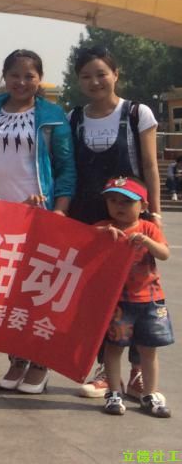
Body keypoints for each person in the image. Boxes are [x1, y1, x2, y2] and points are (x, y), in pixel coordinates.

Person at [0, 49, 76, 394]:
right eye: (14, 75)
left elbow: (65, 168)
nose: (21, 82)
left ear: (39, 79)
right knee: (6, 292)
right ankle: (17, 358)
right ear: (4, 77)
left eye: (29, 76)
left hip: (38, 214)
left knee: (37, 290)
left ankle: (39, 361)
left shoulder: (51, 116)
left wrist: (60, 210)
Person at [70, 45, 161, 399]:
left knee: (139, 295)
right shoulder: (74, 118)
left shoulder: (137, 113)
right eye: (86, 76)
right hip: (91, 220)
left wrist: (154, 214)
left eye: (101, 74)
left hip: (132, 221)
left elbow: (150, 166)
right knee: (100, 297)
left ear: (116, 74)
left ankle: (138, 373)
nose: (94, 82)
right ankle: (107, 373)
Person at [94, 177, 172, 418]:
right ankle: (114, 393)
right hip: (118, 301)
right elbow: (83, 240)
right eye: (112, 200)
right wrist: (101, 234)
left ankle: (149, 393)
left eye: (126, 201)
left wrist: (147, 241)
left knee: (149, 349)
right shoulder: (104, 227)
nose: (118, 206)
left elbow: (164, 253)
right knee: (114, 347)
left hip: (150, 299)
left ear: (143, 206)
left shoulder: (148, 228)